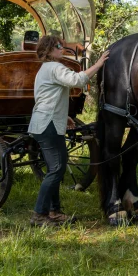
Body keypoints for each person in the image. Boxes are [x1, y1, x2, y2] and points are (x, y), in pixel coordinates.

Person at [28, 36, 109, 227]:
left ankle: (54, 211)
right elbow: (78, 80)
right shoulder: (54, 67)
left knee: (55, 168)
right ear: (48, 50)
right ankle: (39, 214)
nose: (62, 49)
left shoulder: (45, 69)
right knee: (56, 169)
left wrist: (63, 116)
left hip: (46, 121)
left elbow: (47, 96)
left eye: (62, 46)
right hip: (47, 124)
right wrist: (98, 64)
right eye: (58, 46)